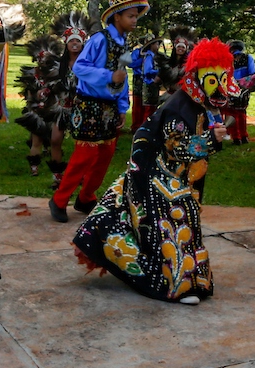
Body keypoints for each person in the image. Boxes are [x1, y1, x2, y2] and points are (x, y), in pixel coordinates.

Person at [73, 38, 234, 305]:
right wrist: (210, 140)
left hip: (174, 177)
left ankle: (190, 281)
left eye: (221, 78)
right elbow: (177, 148)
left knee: (184, 222)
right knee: (175, 225)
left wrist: (210, 138)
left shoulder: (197, 103)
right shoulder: (180, 108)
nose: (217, 85)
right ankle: (178, 285)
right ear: (197, 76)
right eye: (212, 79)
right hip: (157, 176)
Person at [49, 0, 148, 223]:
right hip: (89, 106)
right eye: (131, 16)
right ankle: (59, 199)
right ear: (117, 17)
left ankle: (85, 197)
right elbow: (80, 68)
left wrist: (123, 106)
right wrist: (107, 75)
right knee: (85, 155)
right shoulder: (99, 40)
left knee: (106, 154)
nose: (135, 20)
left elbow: (122, 76)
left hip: (109, 108)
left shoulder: (123, 43)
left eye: (136, 16)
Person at [17, 11, 91, 184]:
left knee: (82, 144)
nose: (74, 44)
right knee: (55, 140)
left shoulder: (88, 63)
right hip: (61, 108)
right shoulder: (58, 64)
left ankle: (80, 174)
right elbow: (51, 83)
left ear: (82, 44)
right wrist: (44, 92)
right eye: (71, 40)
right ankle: (57, 176)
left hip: (82, 108)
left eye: (77, 41)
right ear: (66, 43)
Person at [223, 40, 255, 144]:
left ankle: (236, 137)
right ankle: (244, 136)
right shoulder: (248, 58)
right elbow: (253, 72)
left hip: (231, 88)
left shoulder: (227, 59)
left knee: (231, 112)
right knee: (242, 112)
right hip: (244, 89)